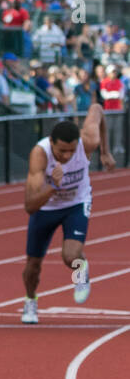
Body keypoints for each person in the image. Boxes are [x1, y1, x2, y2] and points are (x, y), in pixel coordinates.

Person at [20, 109, 116, 323]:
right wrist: (53, 186)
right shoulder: (40, 154)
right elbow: (30, 205)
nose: (66, 156)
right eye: (62, 151)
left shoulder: (88, 141)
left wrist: (105, 151)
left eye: (71, 151)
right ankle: (30, 300)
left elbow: (98, 110)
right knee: (32, 265)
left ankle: (81, 273)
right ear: (51, 142)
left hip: (76, 203)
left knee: (71, 255)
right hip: (46, 208)